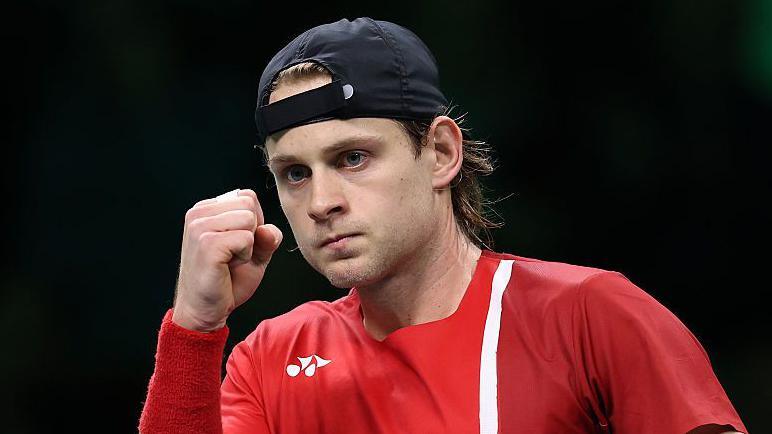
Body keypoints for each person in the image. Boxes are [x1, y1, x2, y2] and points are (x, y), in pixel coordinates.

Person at [138, 17, 747, 434]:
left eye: (353, 158)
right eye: (294, 173)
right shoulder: (271, 360)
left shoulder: (592, 316)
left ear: (440, 153)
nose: (321, 201)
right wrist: (194, 328)